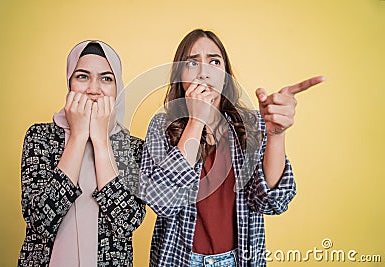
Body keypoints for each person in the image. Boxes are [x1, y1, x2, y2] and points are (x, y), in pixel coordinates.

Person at [139, 29, 325, 267]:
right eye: (192, 63)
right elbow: (162, 202)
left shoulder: (253, 124)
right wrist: (196, 121)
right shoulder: (161, 126)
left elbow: (273, 202)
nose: (204, 72)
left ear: (225, 75)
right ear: (179, 75)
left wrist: (276, 135)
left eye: (214, 61)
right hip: (179, 260)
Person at [18, 40, 145, 267]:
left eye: (106, 78)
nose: (93, 89)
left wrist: (100, 140)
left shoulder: (132, 148)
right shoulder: (40, 137)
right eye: (82, 76)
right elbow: (41, 222)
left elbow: (126, 222)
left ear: (118, 88)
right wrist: (77, 137)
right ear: (69, 83)